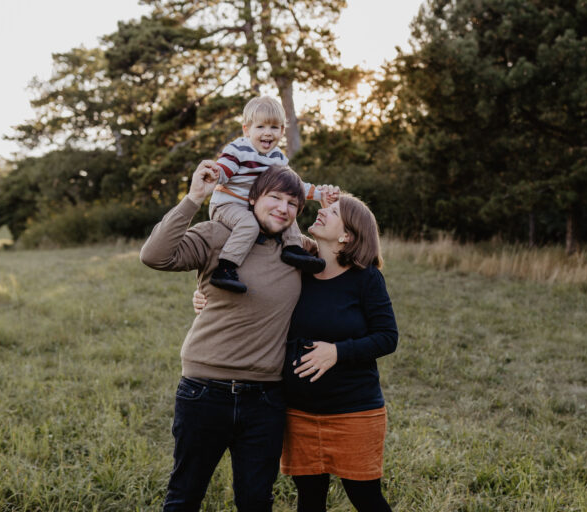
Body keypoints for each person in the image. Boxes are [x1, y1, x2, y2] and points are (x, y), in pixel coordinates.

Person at [193, 194, 398, 512]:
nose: (320, 211)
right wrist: (205, 298)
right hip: (298, 412)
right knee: (309, 501)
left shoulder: (366, 278)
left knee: (366, 498)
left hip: (353, 413)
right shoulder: (296, 272)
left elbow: (387, 337)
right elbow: (252, 296)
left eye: (331, 212)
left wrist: (337, 352)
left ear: (347, 236)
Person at [140, 162, 312, 512]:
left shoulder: (300, 252)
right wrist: (193, 198)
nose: (283, 208)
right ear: (253, 198)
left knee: (256, 501)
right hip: (204, 391)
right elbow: (155, 256)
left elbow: (349, 258)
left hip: (266, 398)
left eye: (293, 203)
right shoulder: (218, 234)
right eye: (274, 197)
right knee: (185, 495)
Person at [209, 95, 337, 293]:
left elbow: (293, 186)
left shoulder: (278, 159)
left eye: (274, 127)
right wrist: (213, 175)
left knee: (285, 211)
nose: (267, 133)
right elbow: (223, 172)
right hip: (228, 204)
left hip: (255, 207)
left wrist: (320, 194)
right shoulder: (238, 149)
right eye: (260, 127)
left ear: (282, 131)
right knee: (248, 224)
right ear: (247, 129)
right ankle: (225, 268)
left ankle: (292, 249)